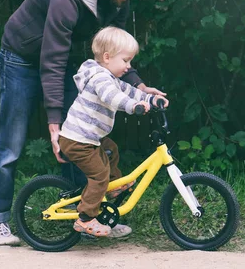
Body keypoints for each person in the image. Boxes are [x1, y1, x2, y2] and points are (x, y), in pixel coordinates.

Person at [0, 0, 166, 245]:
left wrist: (139, 86)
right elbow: (51, 60)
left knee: (82, 136)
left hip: (58, 61)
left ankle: (89, 216)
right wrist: (53, 124)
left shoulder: (118, 1)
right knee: (10, 139)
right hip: (21, 58)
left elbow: (113, 53)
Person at [59, 27, 169, 237]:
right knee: (99, 175)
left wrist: (150, 99)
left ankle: (112, 186)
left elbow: (130, 91)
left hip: (90, 138)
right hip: (77, 140)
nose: (128, 67)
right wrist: (132, 107)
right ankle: (85, 218)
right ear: (107, 57)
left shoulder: (111, 77)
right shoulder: (100, 78)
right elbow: (114, 97)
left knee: (111, 150)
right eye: (126, 61)